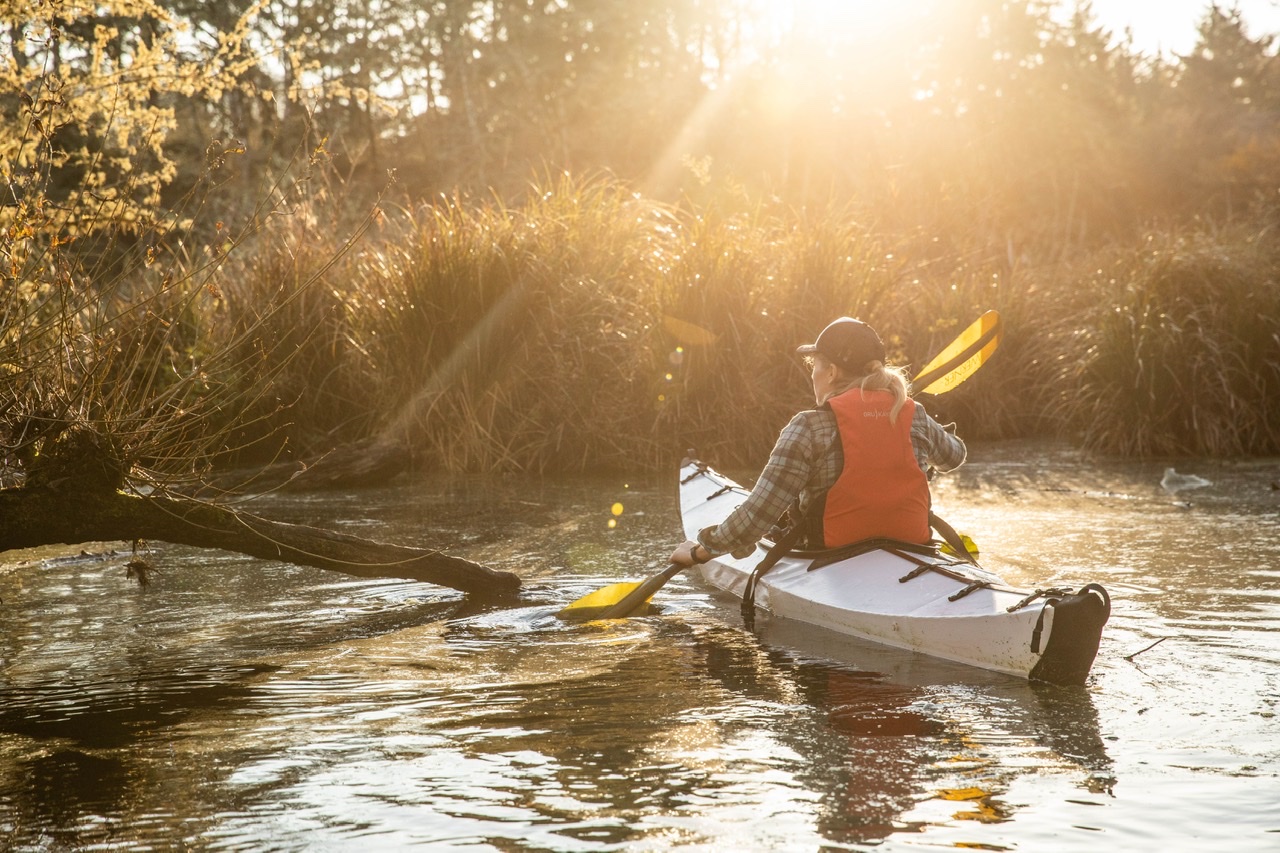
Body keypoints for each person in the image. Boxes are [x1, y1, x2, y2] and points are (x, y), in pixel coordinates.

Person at [670, 316, 966, 567]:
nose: (812, 374)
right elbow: (954, 457)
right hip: (912, 545)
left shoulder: (808, 426)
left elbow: (758, 515)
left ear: (832, 372)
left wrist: (698, 552)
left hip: (829, 552)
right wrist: (932, 428)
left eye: (814, 365)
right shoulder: (915, 416)